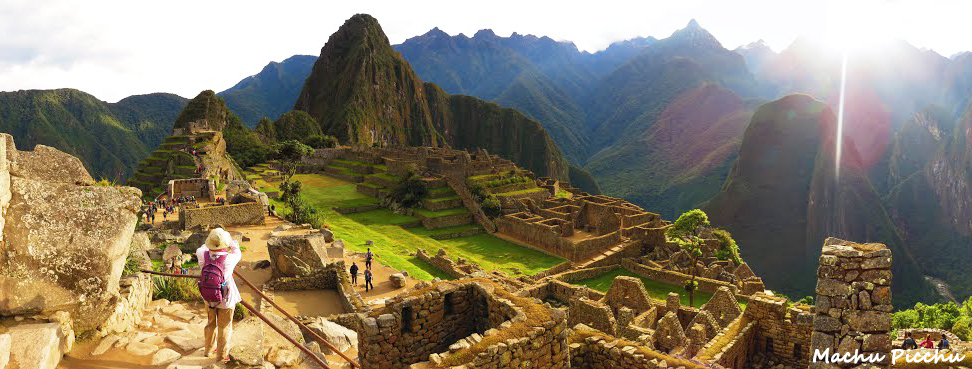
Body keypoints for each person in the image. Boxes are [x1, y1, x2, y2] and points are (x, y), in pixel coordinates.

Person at [195, 228, 242, 362]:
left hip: (208, 297)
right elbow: (236, 249)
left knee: (210, 323)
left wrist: (212, 240)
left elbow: (203, 246)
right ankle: (221, 355)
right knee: (224, 326)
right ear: (224, 243)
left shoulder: (201, 254)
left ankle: (208, 349)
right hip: (225, 299)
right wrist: (229, 240)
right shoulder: (230, 258)